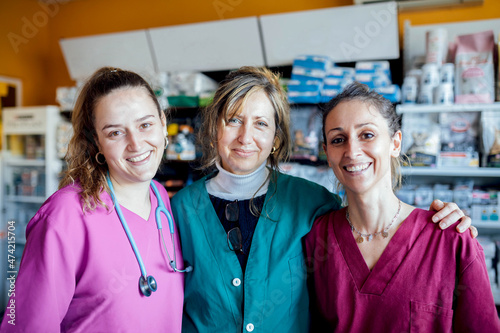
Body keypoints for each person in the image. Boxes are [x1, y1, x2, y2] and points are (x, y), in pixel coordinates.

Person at [170, 66, 475, 333]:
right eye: (234, 120)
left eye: (261, 123)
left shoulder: (313, 202)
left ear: (276, 139)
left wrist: (445, 223)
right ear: (214, 128)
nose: (246, 136)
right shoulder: (180, 210)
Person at [0, 67, 185, 332]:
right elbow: (27, 326)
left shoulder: (162, 200)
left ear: (163, 125)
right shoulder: (64, 216)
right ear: (96, 142)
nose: (136, 143)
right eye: (115, 133)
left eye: (145, 125)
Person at [304, 82, 500, 332]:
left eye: (367, 135)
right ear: (327, 153)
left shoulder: (451, 237)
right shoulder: (315, 240)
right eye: (338, 139)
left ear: (395, 143)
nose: (352, 151)